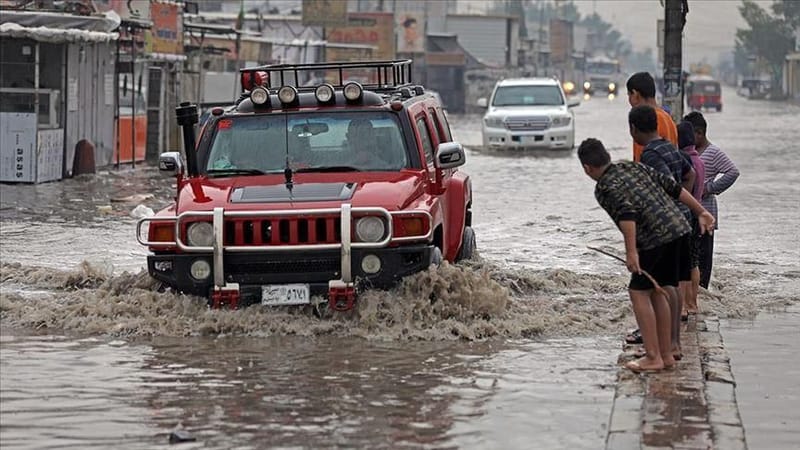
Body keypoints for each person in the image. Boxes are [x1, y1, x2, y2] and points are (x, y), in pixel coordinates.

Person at [577, 138, 714, 373]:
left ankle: (653, 357)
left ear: (587, 168)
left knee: (638, 292)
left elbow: (627, 215)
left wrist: (631, 253)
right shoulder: (633, 166)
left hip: (656, 238)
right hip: (680, 228)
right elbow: (673, 187)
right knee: (658, 290)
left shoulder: (604, 186)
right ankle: (666, 354)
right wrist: (701, 211)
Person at [629, 105, 695, 360]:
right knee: (672, 283)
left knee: (656, 287)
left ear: (634, 129)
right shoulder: (669, 146)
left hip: (664, 229)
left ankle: (661, 349)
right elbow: (689, 175)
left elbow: (667, 185)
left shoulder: (651, 155)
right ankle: (674, 344)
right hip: (681, 222)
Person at [683, 111, 740, 289]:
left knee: (704, 257)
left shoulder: (713, 152)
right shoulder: (687, 152)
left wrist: (709, 188)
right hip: (688, 212)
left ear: (699, 133)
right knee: (689, 257)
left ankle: (702, 291)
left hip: (706, 210)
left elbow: (733, 172)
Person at [677, 121, 705, 316]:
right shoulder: (700, 160)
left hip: (686, 215)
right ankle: (693, 303)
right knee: (694, 261)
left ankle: (684, 306)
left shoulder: (685, 161)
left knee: (682, 263)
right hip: (698, 214)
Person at [626, 72, 678, 162]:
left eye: (629, 95)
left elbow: (641, 162)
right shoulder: (667, 118)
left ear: (635, 94)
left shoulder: (645, 119)